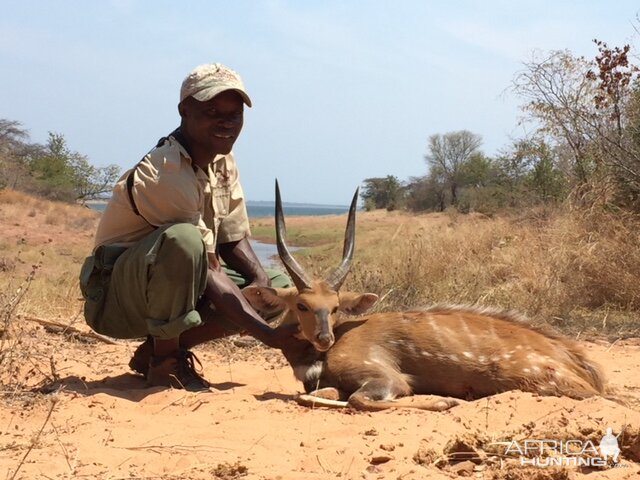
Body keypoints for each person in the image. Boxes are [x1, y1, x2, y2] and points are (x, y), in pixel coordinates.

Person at [79, 63, 301, 391]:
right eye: (212, 111)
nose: (225, 122)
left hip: (175, 283)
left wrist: (261, 282)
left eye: (234, 113)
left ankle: (157, 349)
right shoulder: (165, 173)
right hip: (116, 299)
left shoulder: (222, 158)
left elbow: (231, 237)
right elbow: (208, 267)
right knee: (183, 241)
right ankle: (163, 364)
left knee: (277, 290)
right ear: (185, 110)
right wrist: (266, 334)